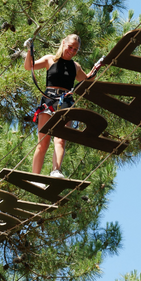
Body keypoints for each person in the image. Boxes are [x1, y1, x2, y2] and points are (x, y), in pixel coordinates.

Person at [24, 34, 100, 180]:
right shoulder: (49, 59)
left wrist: (96, 70)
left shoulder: (75, 66)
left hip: (66, 102)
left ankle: (56, 170)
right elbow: (29, 66)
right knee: (43, 141)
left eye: (75, 49)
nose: (72, 51)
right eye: (70, 47)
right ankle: (35, 177)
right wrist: (29, 51)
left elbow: (86, 81)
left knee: (60, 139)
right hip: (49, 101)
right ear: (63, 43)